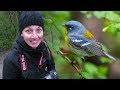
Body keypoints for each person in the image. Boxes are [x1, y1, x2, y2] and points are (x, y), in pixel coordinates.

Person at [2, 11, 58, 79]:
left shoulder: (45, 48)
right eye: (28, 31)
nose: (34, 36)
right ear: (21, 33)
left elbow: (52, 69)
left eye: (38, 30)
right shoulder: (11, 60)